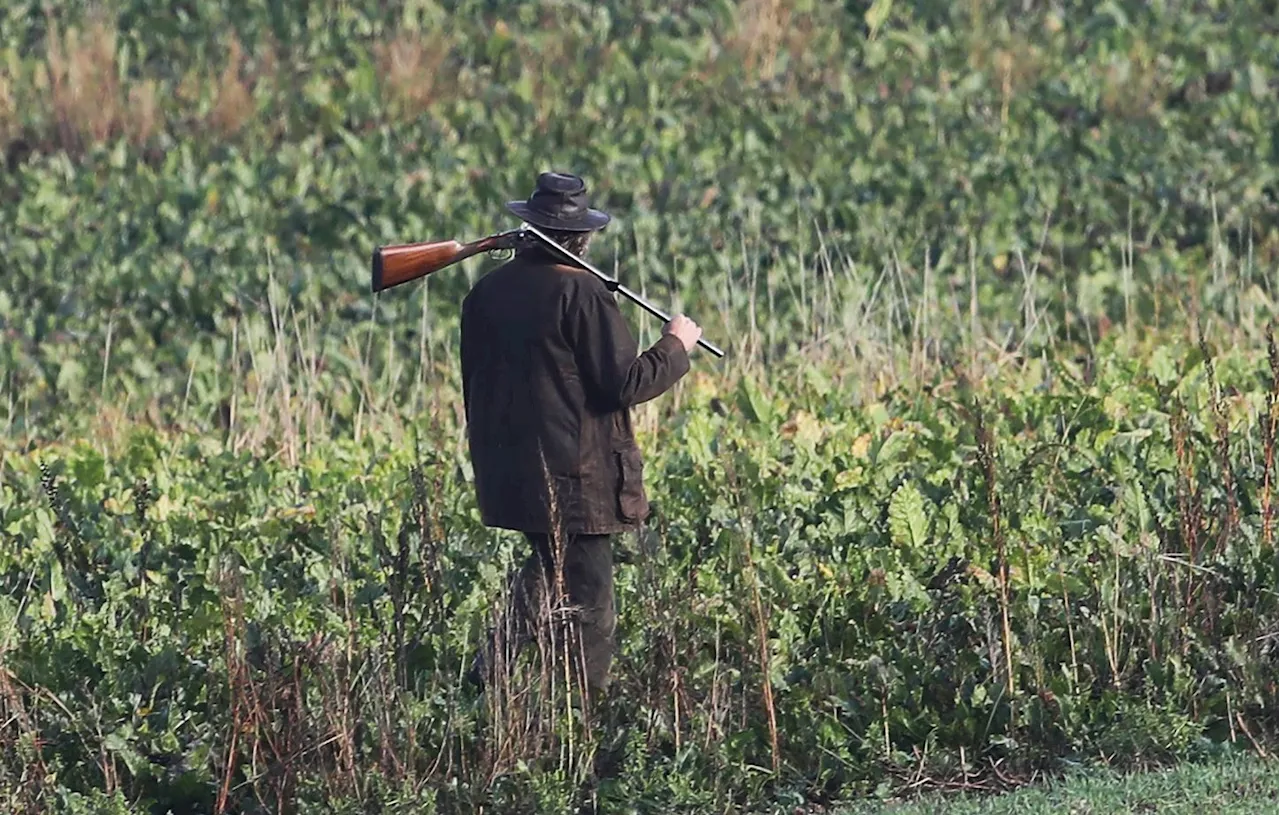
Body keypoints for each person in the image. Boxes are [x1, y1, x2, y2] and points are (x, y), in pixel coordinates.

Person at [459, 171, 702, 700]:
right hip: (575, 476)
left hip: (509, 472)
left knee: (547, 570)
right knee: (591, 602)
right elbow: (626, 384)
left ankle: (486, 675)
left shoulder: (485, 293)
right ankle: (581, 717)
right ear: (581, 237)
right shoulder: (582, 293)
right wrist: (676, 344)